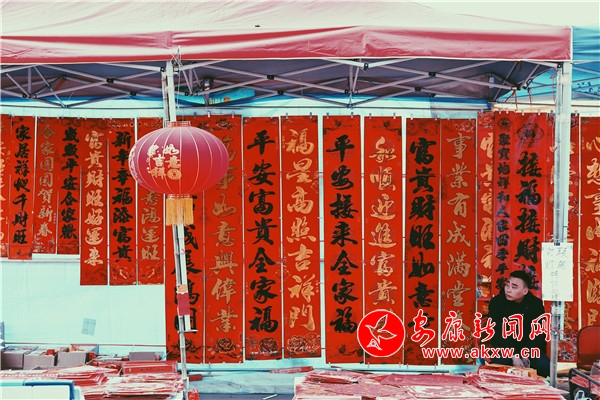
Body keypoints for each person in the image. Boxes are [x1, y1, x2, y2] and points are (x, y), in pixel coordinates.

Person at [486, 270, 550, 377]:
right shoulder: (497, 302)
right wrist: (514, 355)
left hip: (530, 348)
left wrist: (526, 354)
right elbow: (497, 332)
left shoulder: (536, 304)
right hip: (504, 346)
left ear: (525, 291)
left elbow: (538, 334)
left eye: (514, 287)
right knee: (499, 365)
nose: (508, 290)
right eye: (507, 285)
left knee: (545, 366)